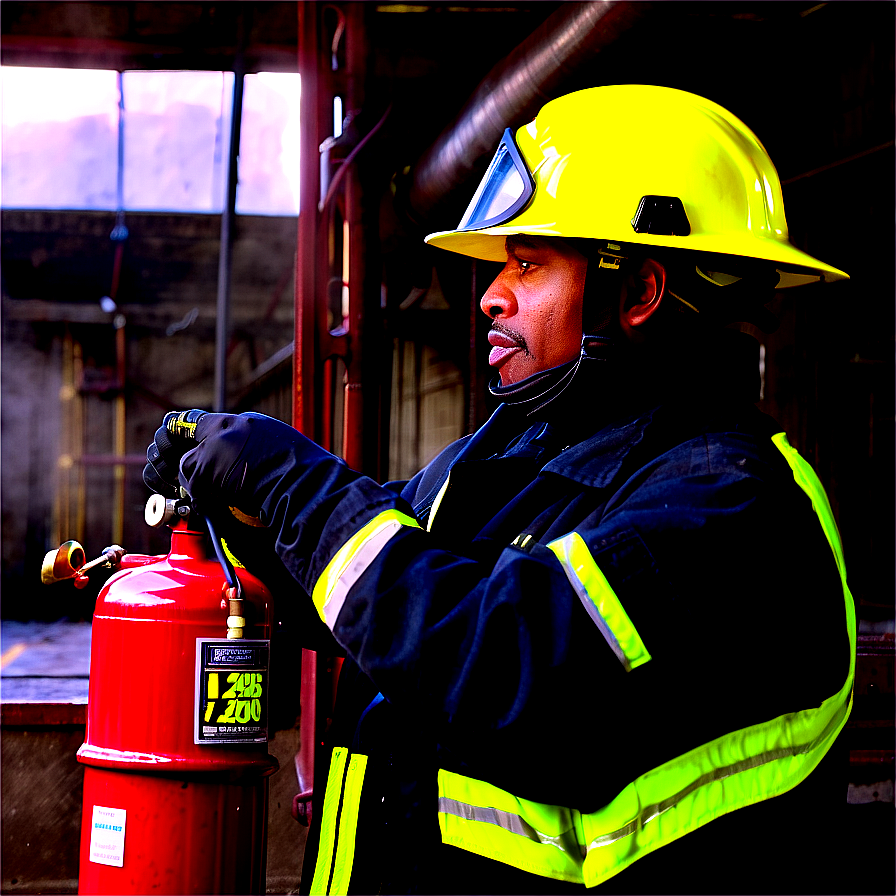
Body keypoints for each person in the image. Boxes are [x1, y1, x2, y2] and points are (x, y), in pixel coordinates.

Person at [144, 85, 855, 894]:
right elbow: (379, 595)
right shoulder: (522, 451)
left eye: (528, 262)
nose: (490, 293)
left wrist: (293, 483)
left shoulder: (737, 505)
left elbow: (501, 654)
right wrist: (243, 505)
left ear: (638, 292)